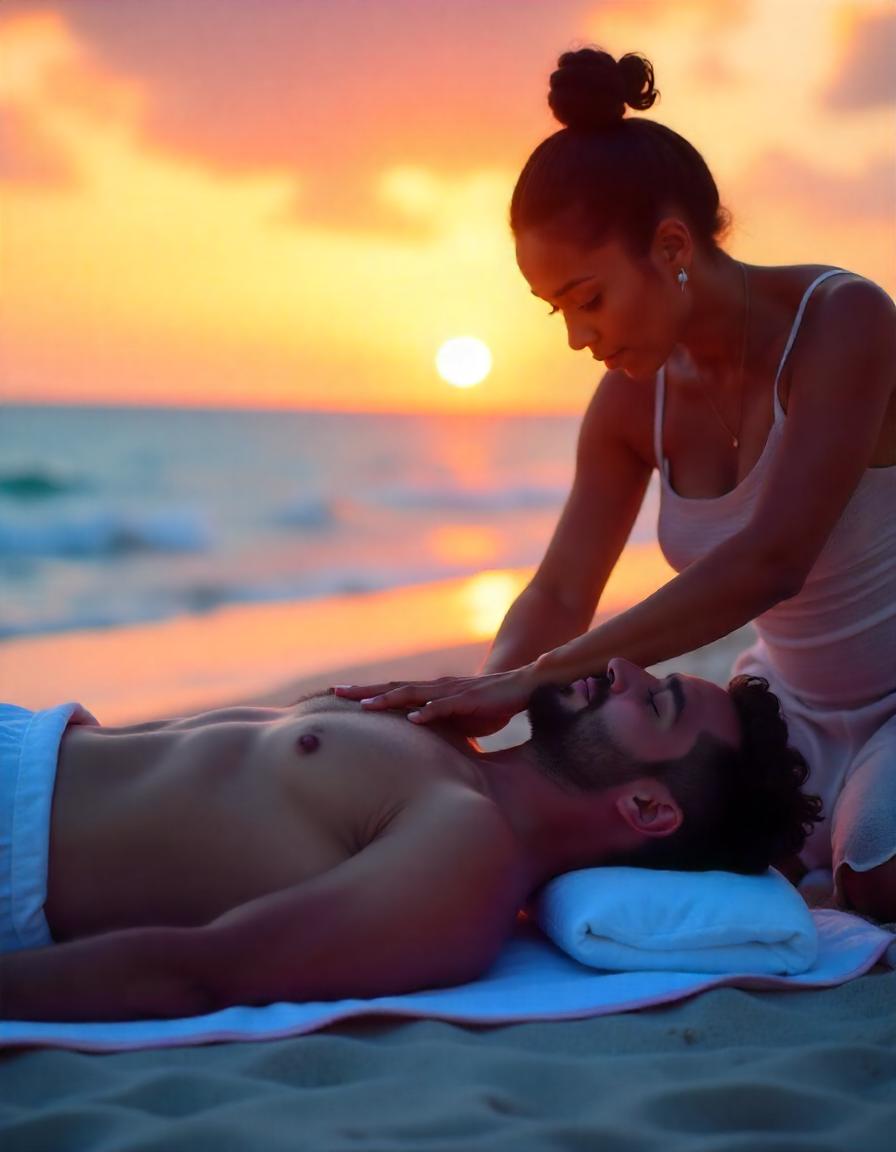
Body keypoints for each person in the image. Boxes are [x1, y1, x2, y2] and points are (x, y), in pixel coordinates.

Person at [336, 48, 896, 920]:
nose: (575, 337)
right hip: (785, 714)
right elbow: (562, 588)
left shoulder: (844, 321)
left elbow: (771, 561)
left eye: (588, 299)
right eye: (555, 308)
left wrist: (541, 676)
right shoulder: (631, 405)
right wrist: (486, 697)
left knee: (875, 882)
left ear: (672, 246)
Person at [0, 658, 818, 1021]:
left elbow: (203, 973)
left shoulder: (467, 857)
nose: (621, 667)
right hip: (30, 735)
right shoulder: (450, 746)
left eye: (655, 702)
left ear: (647, 809)